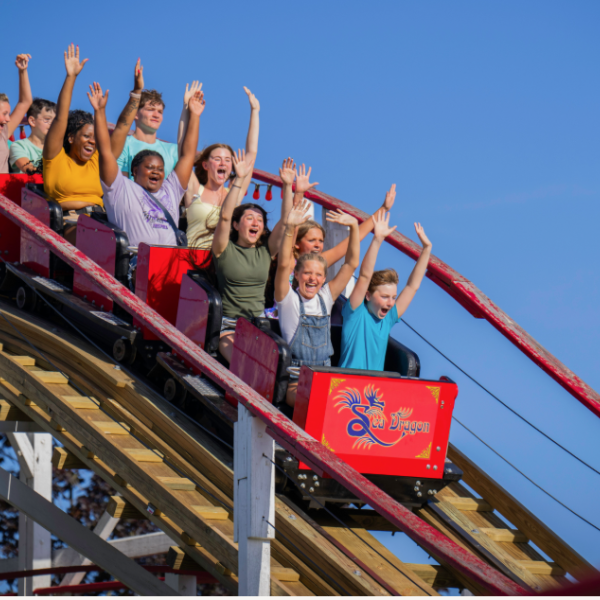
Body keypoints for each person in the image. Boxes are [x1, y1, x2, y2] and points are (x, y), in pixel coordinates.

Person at [89, 61, 203, 250]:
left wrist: (194, 114)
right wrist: (101, 111)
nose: (156, 172)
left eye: (160, 168)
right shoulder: (123, 189)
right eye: (150, 168)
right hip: (135, 262)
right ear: (135, 170)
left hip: (169, 264)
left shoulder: (169, 191)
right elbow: (107, 152)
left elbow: (187, 155)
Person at [212, 150, 295, 364]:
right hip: (230, 326)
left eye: (259, 220)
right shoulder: (223, 249)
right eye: (249, 218)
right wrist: (239, 179)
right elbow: (224, 216)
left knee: (278, 361)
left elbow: (286, 221)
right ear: (237, 225)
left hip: (259, 325)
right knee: (242, 360)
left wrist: (287, 186)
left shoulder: (266, 251)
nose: (255, 223)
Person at [275, 200, 360, 407]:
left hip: (325, 377)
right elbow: (284, 262)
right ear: (297, 275)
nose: (312, 279)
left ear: (323, 279)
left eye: (318, 275)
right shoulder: (289, 300)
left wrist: (354, 228)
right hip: (296, 380)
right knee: (313, 400)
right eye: (307, 274)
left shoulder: (325, 297)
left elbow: (351, 264)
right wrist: (290, 228)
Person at [338, 213, 432, 371]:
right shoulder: (356, 313)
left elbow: (411, 286)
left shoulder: (387, 319)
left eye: (393, 297)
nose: (390, 302)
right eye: (384, 297)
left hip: (373, 392)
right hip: (347, 388)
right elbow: (364, 276)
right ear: (368, 295)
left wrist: (426, 250)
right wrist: (377, 239)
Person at [182, 85, 259, 249]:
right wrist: (187, 110)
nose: (223, 163)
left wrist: (255, 111)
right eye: (217, 159)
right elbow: (183, 151)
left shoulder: (234, 194)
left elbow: (251, 153)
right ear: (205, 165)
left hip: (222, 268)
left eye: (227, 160)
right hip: (192, 264)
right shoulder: (195, 190)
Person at [42, 44, 103, 235]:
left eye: (94, 138)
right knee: (90, 238)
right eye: (86, 136)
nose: (92, 142)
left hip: (103, 219)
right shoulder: (55, 158)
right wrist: (71, 77)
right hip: (70, 221)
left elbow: (121, 131)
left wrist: (135, 92)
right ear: (70, 138)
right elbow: (61, 117)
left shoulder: (95, 159)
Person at [115, 86, 178, 180]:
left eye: (160, 112)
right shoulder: (123, 145)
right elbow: (120, 185)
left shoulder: (173, 151)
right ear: (135, 114)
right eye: (150, 109)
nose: (156, 115)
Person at [0, 54, 33, 174]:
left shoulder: (3, 134)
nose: (8, 119)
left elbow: (25, 102)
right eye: (4, 114)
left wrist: (22, 70)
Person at [9, 98, 56, 174]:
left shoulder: (59, 149)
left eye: (55, 121)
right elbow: (28, 168)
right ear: (32, 121)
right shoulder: (19, 146)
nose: (52, 124)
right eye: (47, 119)